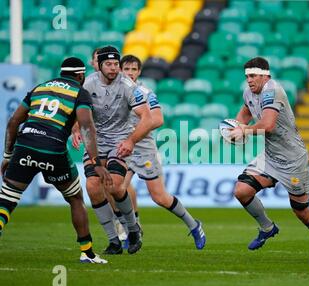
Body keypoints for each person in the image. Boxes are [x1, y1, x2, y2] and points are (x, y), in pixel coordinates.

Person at [0, 57, 112, 263]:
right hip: (53, 148)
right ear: (80, 75)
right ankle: (87, 253)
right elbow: (86, 125)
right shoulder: (80, 93)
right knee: (75, 198)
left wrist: (8, 155)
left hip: (25, 145)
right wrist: (96, 163)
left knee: (8, 198)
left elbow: (14, 121)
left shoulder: (40, 88)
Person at [229, 57, 309, 261]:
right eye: (247, 76)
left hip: (293, 159)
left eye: (253, 76)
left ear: (265, 75)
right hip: (269, 157)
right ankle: (267, 227)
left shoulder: (272, 90)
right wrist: (233, 130)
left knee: (301, 212)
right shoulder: (249, 92)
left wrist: (245, 131)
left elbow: (268, 125)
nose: (249, 80)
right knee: (241, 191)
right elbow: (243, 117)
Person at [120, 54, 206, 249]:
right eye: (127, 69)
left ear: (139, 72)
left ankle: (194, 225)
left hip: (143, 148)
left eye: (134, 69)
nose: (130, 73)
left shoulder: (145, 93)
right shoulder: (115, 91)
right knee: (117, 190)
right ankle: (132, 231)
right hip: (123, 149)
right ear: (120, 70)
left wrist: (134, 134)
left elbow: (158, 119)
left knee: (159, 197)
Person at [76, 46, 154, 255]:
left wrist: (131, 140)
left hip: (120, 140)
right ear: (99, 65)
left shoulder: (128, 85)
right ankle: (113, 240)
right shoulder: (87, 83)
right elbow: (79, 111)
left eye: (116, 64)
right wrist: (75, 129)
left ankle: (132, 227)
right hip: (96, 141)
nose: (113, 68)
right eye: (108, 64)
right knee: (93, 188)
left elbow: (147, 117)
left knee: (115, 186)